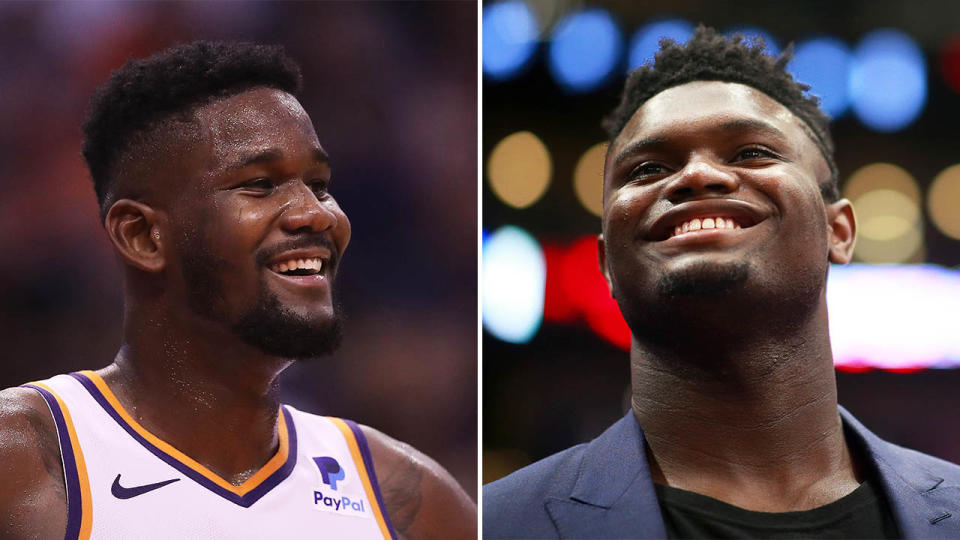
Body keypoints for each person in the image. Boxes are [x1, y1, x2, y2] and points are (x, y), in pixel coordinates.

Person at [484, 26, 960, 539]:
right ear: (606, 266)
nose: (696, 175)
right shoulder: (490, 524)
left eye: (751, 152)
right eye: (647, 168)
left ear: (838, 231)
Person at [0, 41, 475, 539]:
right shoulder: (23, 462)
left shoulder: (411, 501)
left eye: (319, 184)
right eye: (260, 185)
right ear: (141, 236)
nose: (315, 213)